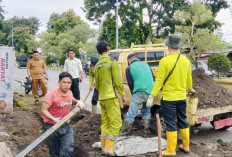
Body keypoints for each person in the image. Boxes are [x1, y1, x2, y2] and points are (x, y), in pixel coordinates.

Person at [147, 34, 194, 156]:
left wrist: (152, 96)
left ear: (168, 46)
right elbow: (189, 80)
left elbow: (159, 81)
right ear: (179, 47)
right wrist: (189, 89)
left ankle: (171, 150)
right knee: (183, 120)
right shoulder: (186, 61)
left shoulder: (164, 61)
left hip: (169, 98)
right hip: (182, 97)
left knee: (171, 123)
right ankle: (186, 146)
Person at [95, 41, 127, 156]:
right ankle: (109, 149)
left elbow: (97, 84)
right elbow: (118, 81)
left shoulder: (97, 65)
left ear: (98, 51)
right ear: (108, 48)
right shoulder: (111, 62)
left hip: (102, 98)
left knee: (105, 123)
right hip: (111, 96)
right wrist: (123, 95)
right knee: (116, 123)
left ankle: (104, 147)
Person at [41, 72, 85, 157]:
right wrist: (53, 119)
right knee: (54, 152)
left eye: (69, 83)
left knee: (67, 151)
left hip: (66, 126)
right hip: (52, 127)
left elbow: (71, 99)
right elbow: (43, 110)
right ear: (59, 82)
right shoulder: (51, 95)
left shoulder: (70, 93)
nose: (66, 85)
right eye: (64, 82)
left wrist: (77, 102)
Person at [119, 54, 154, 136]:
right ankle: (146, 129)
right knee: (146, 111)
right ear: (137, 59)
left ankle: (124, 132)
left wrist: (133, 93)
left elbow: (130, 83)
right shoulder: (146, 65)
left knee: (132, 112)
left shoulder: (129, 68)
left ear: (129, 60)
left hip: (139, 91)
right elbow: (153, 78)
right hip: (150, 92)